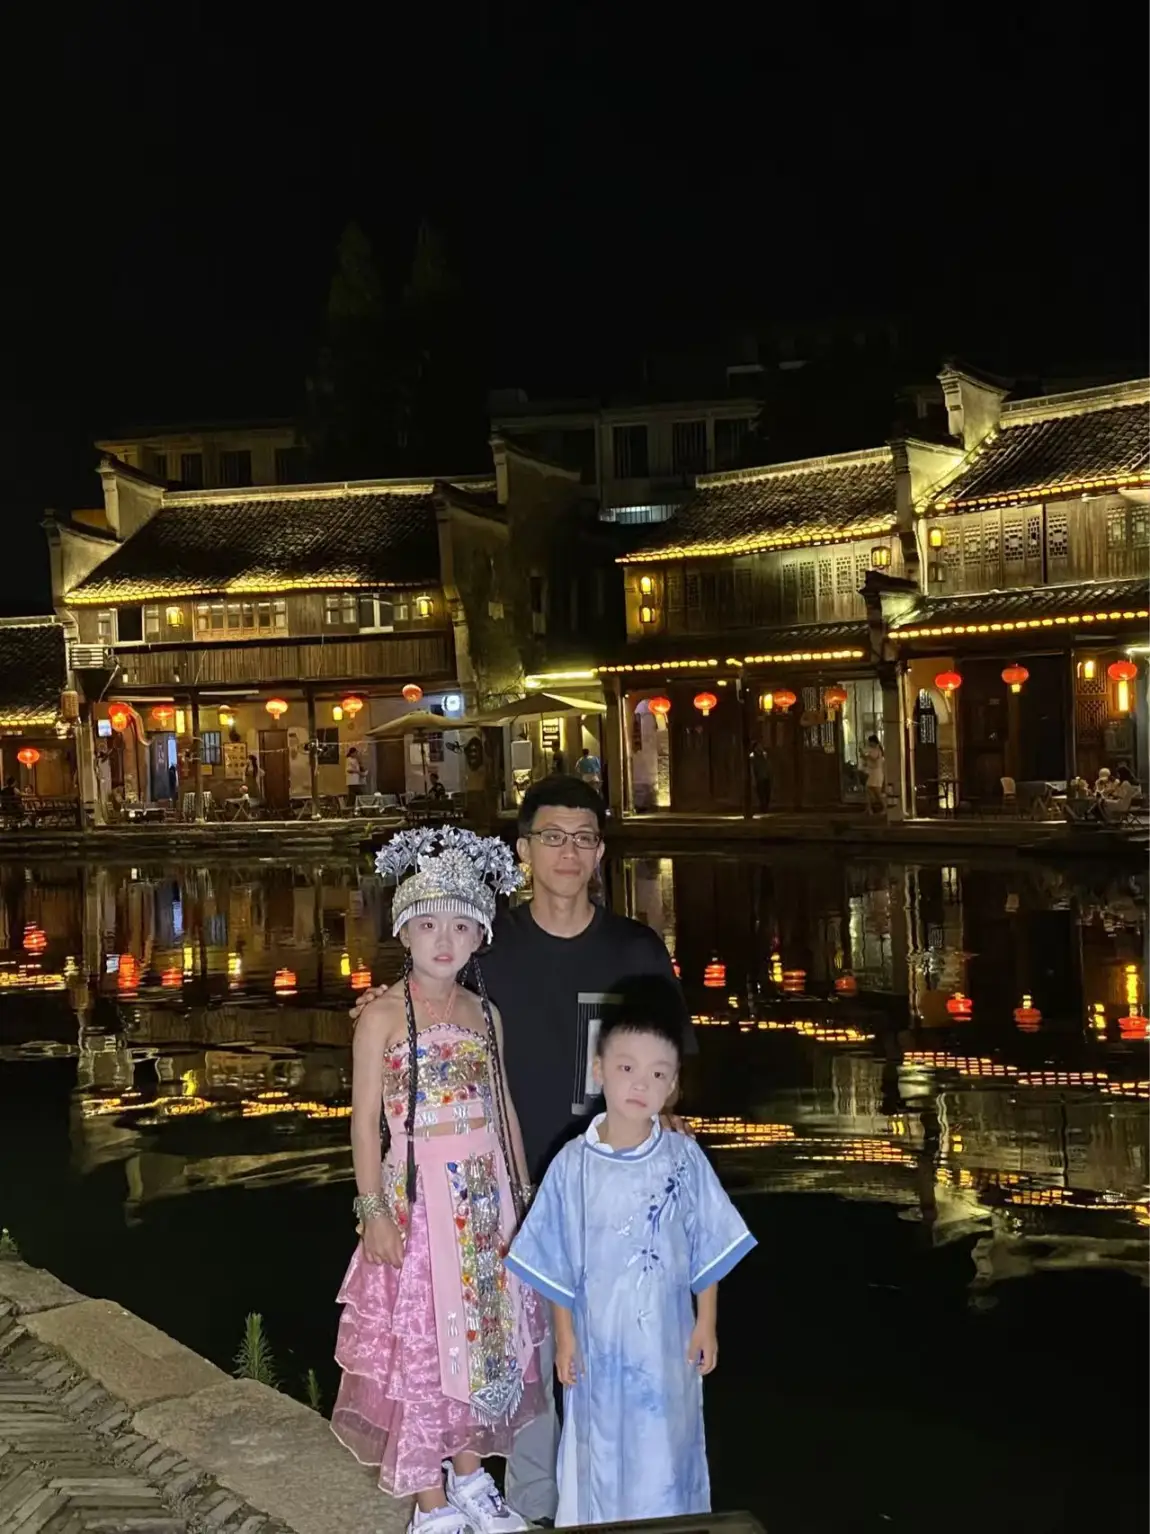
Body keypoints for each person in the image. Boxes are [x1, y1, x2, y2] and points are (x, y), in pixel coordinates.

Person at [352, 776, 696, 1524]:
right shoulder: (486, 943)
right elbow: (424, 997)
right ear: (524, 849)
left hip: (606, 1188)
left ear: (600, 853)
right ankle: (532, 1507)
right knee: (520, 1351)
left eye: (584, 838)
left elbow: (671, 1064)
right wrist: (377, 1007)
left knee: (613, 1356)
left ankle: (622, 1505)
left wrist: (671, 1129)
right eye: (551, 837)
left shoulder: (637, 950)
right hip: (503, 1196)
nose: (567, 852)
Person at [332, 827, 546, 1534]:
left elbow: (503, 1109)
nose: (444, 940)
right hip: (418, 1202)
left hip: (485, 1203)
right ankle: (429, 1499)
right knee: (422, 1339)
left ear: (480, 934)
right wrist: (373, 1210)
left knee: (480, 1339)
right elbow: (366, 1122)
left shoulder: (485, 1015)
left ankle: (469, 1473)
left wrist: (523, 1201)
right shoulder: (381, 1017)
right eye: (428, 925)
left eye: (460, 925)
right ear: (403, 932)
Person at [506, 1009, 755, 1525]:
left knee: (668, 1449)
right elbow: (556, 1257)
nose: (641, 1084)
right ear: (599, 1070)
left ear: (673, 1085)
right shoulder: (573, 1164)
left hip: (667, 1343)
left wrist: (706, 1321)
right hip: (597, 1345)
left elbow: (707, 1241)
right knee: (598, 1450)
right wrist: (565, 1335)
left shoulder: (683, 1159)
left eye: (658, 1073)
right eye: (627, 1068)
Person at [862, 734, 885, 815]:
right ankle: (869, 808)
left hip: (876, 773)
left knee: (877, 792)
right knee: (868, 790)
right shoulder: (873, 750)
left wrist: (867, 755)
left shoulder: (877, 750)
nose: (869, 743)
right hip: (873, 773)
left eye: (870, 742)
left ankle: (884, 807)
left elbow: (874, 758)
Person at [748, 740, 771, 814]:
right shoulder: (753, 756)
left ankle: (765, 807)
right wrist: (753, 778)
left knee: (767, 793)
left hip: (766, 777)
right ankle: (763, 808)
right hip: (759, 778)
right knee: (761, 794)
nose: (761, 747)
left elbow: (767, 764)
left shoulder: (763, 754)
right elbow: (752, 767)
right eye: (759, 746)